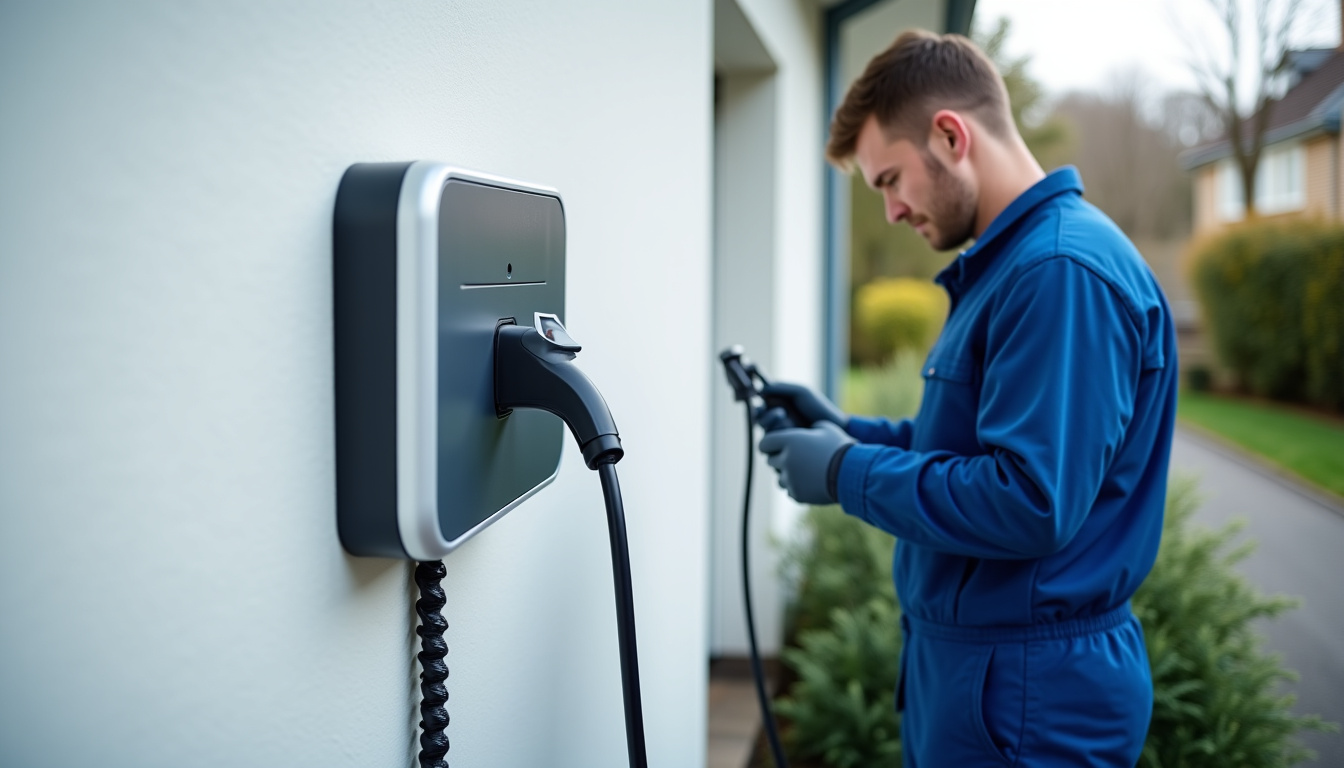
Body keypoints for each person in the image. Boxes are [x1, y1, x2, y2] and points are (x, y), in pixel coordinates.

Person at [758, 29, 1178, 768]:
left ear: (951, 136)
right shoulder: (1013, 266)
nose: (891, 211)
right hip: (985, 680)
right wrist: (849, 431)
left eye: (890, 180)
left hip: (1028, 699)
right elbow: (974, 448)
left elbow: (1030, 499)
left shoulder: (1059, 272)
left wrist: (844, 472)